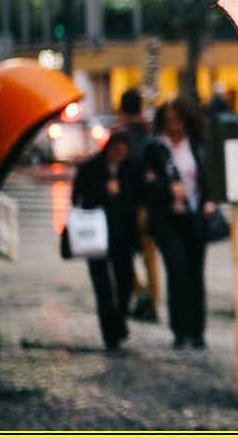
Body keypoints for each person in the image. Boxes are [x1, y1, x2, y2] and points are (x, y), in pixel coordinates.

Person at [143, 97, 217, 349]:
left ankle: (197, 331)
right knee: (176, 269)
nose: (173, 125)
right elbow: (147, 180)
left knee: (195, 272)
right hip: (167, 218)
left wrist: (209, 200)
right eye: (168, 120)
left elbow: (207, 176)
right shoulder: (156, 147)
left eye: (177, 120)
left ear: (186, 121)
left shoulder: (196, 144)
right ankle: (179, 330)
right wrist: (168, 188)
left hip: (195, 216)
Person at [71, 131, 137, 354]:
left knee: (125, 282)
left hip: (122, 235)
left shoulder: (129, 169)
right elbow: (78, 199)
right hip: (95, 235)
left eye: (123, 152)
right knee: (103, 288)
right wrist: (104, 192)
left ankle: (119, 320)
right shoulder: (91, 168)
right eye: (116, 151)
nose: (119, 156)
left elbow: (136, 198)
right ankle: (111, 336)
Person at [117, 88, 160, 323]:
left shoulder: (120, 136)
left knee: (122, 254)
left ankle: (141, 292)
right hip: (150, 203)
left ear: (121, 109)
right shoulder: (149, 132)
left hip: (127, 204)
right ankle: (152, 303)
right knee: (149, 256)